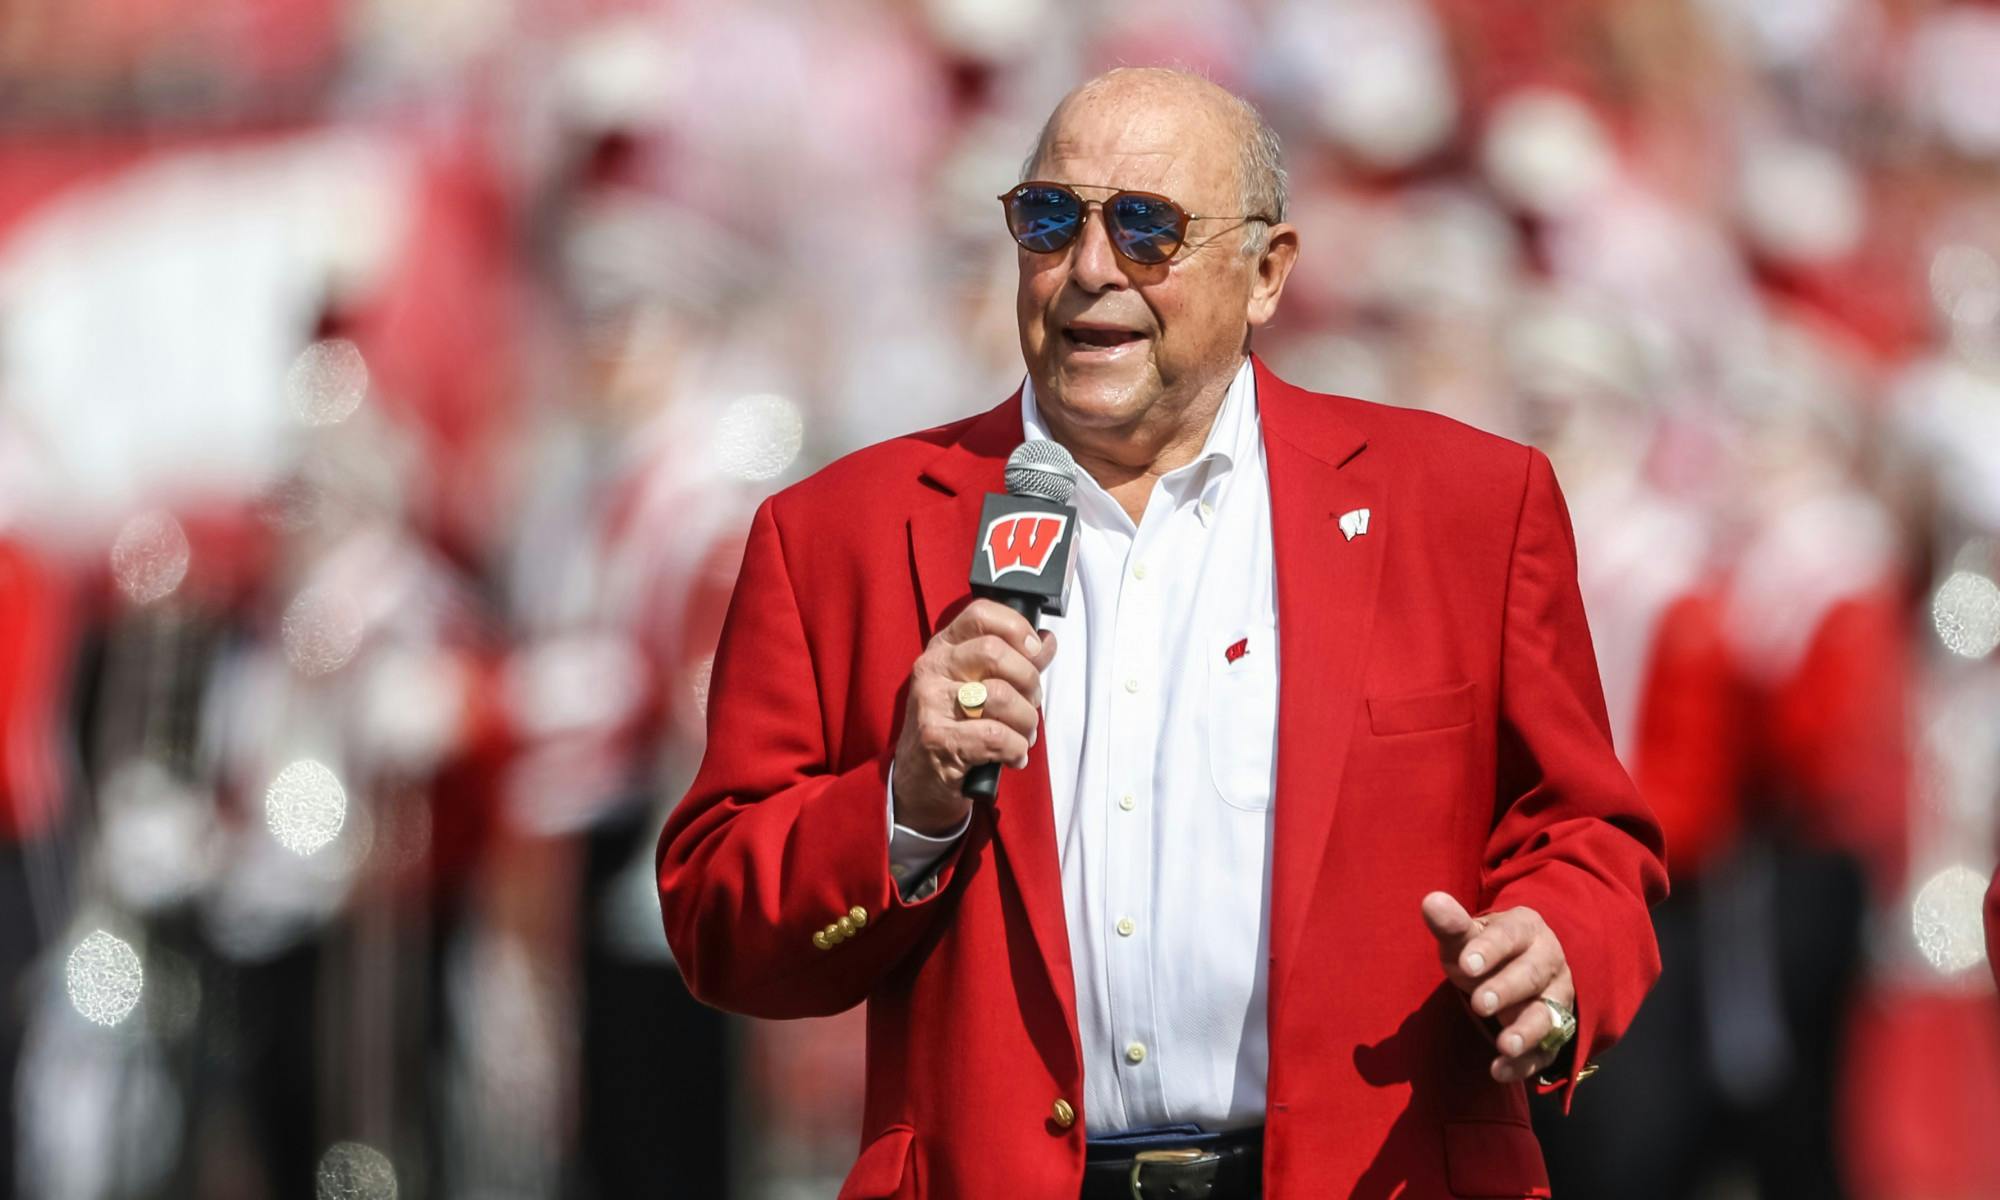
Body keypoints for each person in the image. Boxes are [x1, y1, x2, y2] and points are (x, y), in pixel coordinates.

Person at [657, 67, 1667, 1199]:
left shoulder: (1465, 506)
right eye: (1049, 219)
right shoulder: (838, 532)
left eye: (1148, 229)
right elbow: (714, 924)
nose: (1090, 269)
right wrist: (903, 804)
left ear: (1267, 273)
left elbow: (1587, 837)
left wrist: (1555, 952)